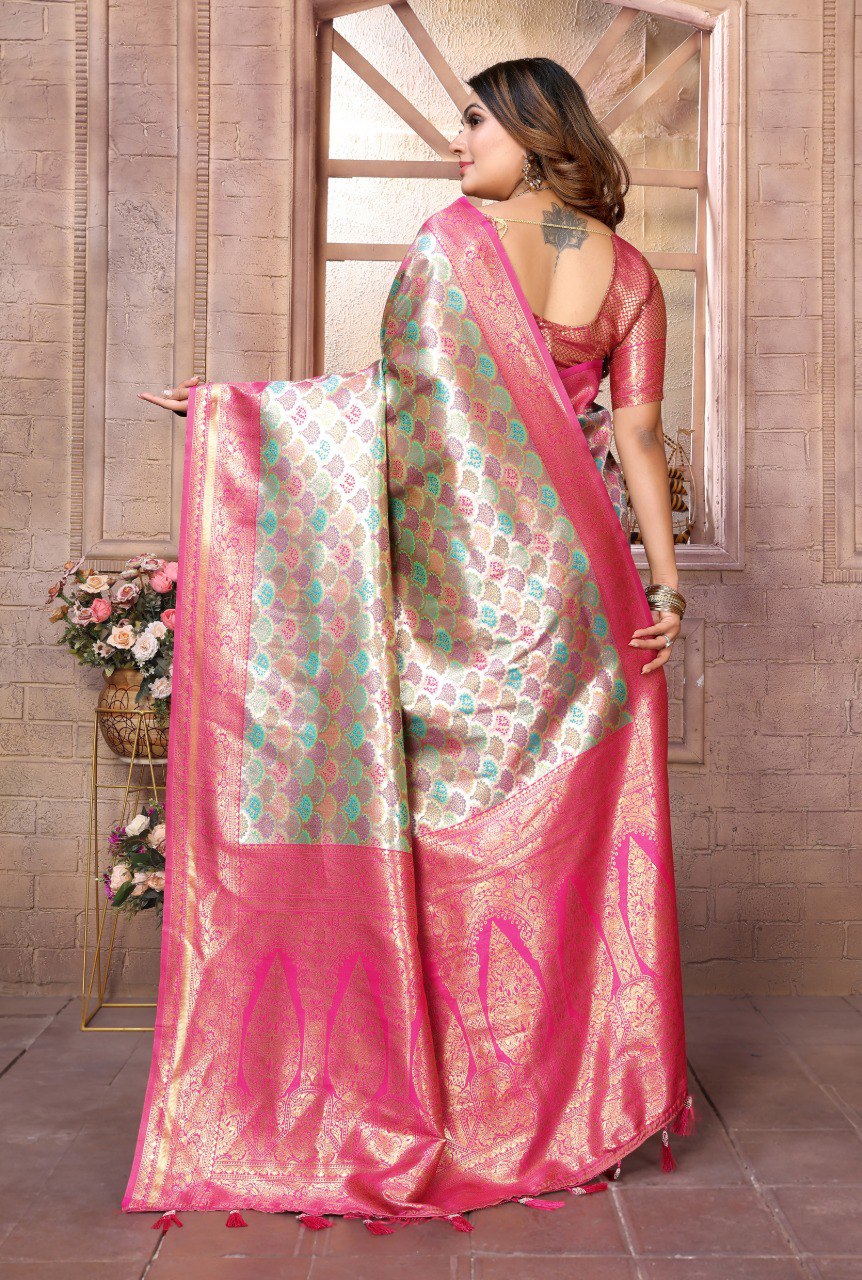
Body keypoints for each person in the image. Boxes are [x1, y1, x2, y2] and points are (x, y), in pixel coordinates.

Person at [125, 56, 693, 1237]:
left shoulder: (453, 243)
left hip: (464, 595)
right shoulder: (630, 270)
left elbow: (402, 413)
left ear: (533, 129)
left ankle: (457, 1105)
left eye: (474, 120)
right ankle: (553, 1101)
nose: (457, 140)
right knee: (558, 855)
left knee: (437, 843)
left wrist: (240, 412)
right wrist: (668, 587)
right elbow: (638, 436)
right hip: (585, 595)